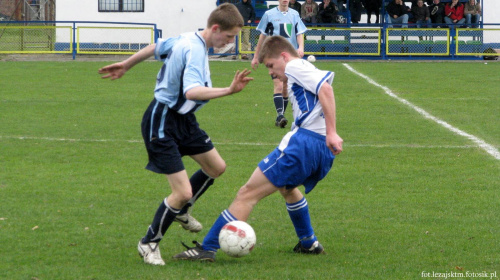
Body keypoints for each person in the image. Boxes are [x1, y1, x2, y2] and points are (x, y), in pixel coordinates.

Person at [98, 3, 253, 266]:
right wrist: (228, 90)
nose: (229, 43)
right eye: (228, 37)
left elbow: (155, 47)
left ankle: (183, 210)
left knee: (216, 167)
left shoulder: (189, 37)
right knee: (181, 192)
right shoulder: (193, 49)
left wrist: (127, 64)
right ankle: (148, 242)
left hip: (184, 119)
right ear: (215, 28)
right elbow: (192, 91)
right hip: (162, 120)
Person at [173, 35, 343, 262]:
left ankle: (208, 248)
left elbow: (326, 90)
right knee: (287, 188)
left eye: (271, 65)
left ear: (284, 56)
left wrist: (332, 131)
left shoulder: (294, 65)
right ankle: (308, 242)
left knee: (246, 194)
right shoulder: (299, 69)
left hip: (305, 144)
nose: (271, 72)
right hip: (320, 149)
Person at [251, 0, 307, 129]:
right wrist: (256, 56)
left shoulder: (294, 14)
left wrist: (301, 47)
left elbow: (299, 33)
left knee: (286, 86)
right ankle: (280, 115)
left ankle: (281, 115)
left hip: (290, 56)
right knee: (278, 83)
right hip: (274, 56)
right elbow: (262, 36)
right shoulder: (269, 14)